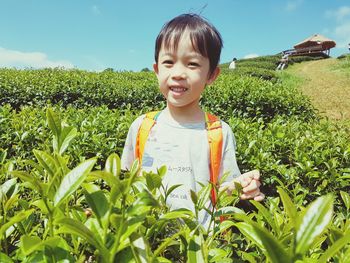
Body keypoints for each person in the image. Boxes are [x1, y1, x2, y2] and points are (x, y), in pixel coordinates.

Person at [121, 13, 264, 227]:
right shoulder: (142, 126)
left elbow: (224, 191)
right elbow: (127, 180)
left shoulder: (218, 132)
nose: (178, 73)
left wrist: (244, 188)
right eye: (168, 62)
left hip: (200, 244)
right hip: (147, 239)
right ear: (157, 70)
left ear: (211, 75)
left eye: (192, 64)